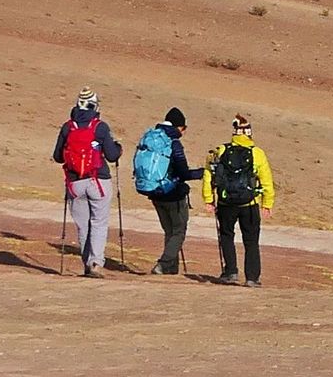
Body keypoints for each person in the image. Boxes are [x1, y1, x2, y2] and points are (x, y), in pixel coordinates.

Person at [50, 91, 122, 277]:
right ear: (95, 106)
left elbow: (57, 157)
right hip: (99, 181)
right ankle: (96, 263)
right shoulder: (100, 127)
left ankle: (86, 264)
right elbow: (112, 155)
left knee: (83, 226)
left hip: (75, 183)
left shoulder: (68, 127)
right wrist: (118, 148)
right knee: (99, 223)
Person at [131, 108, 204, 276]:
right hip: (172, 193)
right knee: (179, 231)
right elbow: (183, 173)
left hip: (154, 191)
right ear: (179, 127)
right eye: (183, 128)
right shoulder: (173, 143)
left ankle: (171, 268)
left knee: (170, 232)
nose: (184, 132)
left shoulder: (150, 138)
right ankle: (163, 265)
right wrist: (200, 173)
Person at [206, 115, 275, 287]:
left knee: (226, 236)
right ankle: (252, 277)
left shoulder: (220, 150)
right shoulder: (257, 153)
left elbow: (208, 175)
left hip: (225, 203)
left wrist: (209, 199)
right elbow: (266, 180)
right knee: (251, 240)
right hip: (249, 204)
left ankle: (230, 272)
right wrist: (267, 203)